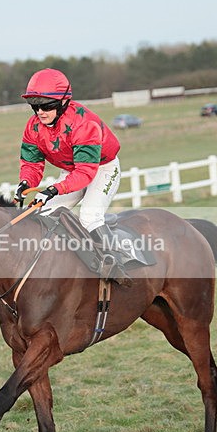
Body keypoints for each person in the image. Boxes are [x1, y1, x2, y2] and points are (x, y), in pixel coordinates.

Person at [15, 68, 128, 281]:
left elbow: (85, 173)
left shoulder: (84, 124)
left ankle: (116, 263)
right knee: (43, 214)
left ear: (63, 102)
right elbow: (31, 163)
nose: (40, 112)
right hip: (70, 171)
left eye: (46, 106)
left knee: (89, 216)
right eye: (35, 106)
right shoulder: (33, 127)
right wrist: (25, 183)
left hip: (102, 168)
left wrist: (54, 189)